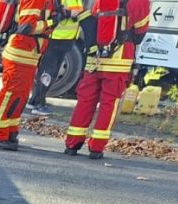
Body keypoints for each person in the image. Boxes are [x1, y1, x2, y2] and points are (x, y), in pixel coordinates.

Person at [64, 0, 151, 159]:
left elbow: (94, 22)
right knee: (109, 103)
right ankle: (96, 148)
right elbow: (140, 33)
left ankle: (72, 144)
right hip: (119, 59)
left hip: (95, 58)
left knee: (85, 100)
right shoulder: (140, 2)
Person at [0, 0, 56, 150]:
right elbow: (26, 27)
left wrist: (54, 19)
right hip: (20, 53)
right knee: (11, 95)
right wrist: (51, 22)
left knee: (21, 96)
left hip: (29, 54)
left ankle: (10, 132)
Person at [26, 0, 85, 114]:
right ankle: (39, 104)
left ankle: (34, 100)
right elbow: (58, 13)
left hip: (65, 38)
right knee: (48, 72)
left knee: (49, 71)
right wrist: (73, 13)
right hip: (56, 37)